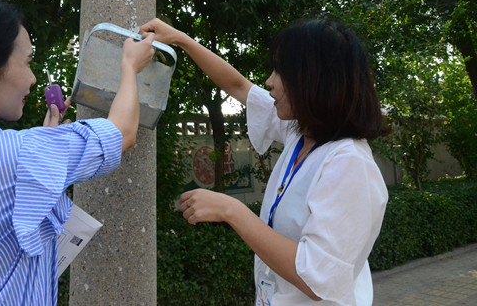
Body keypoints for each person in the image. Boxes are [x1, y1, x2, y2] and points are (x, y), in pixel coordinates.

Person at [0, 0, 155, 306]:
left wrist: (46, 141)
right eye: (26, 62)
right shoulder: (18, 153)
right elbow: (122, 132)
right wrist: (130, 67)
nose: (33, 79)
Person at [140, 18, 389, 306]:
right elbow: (238, 86)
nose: (270, 81)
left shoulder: (349, 164)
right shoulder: (301, 134)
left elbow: (318, 277)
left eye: (282, 71)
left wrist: (232, 210)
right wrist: (181, 39)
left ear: (316, 81)